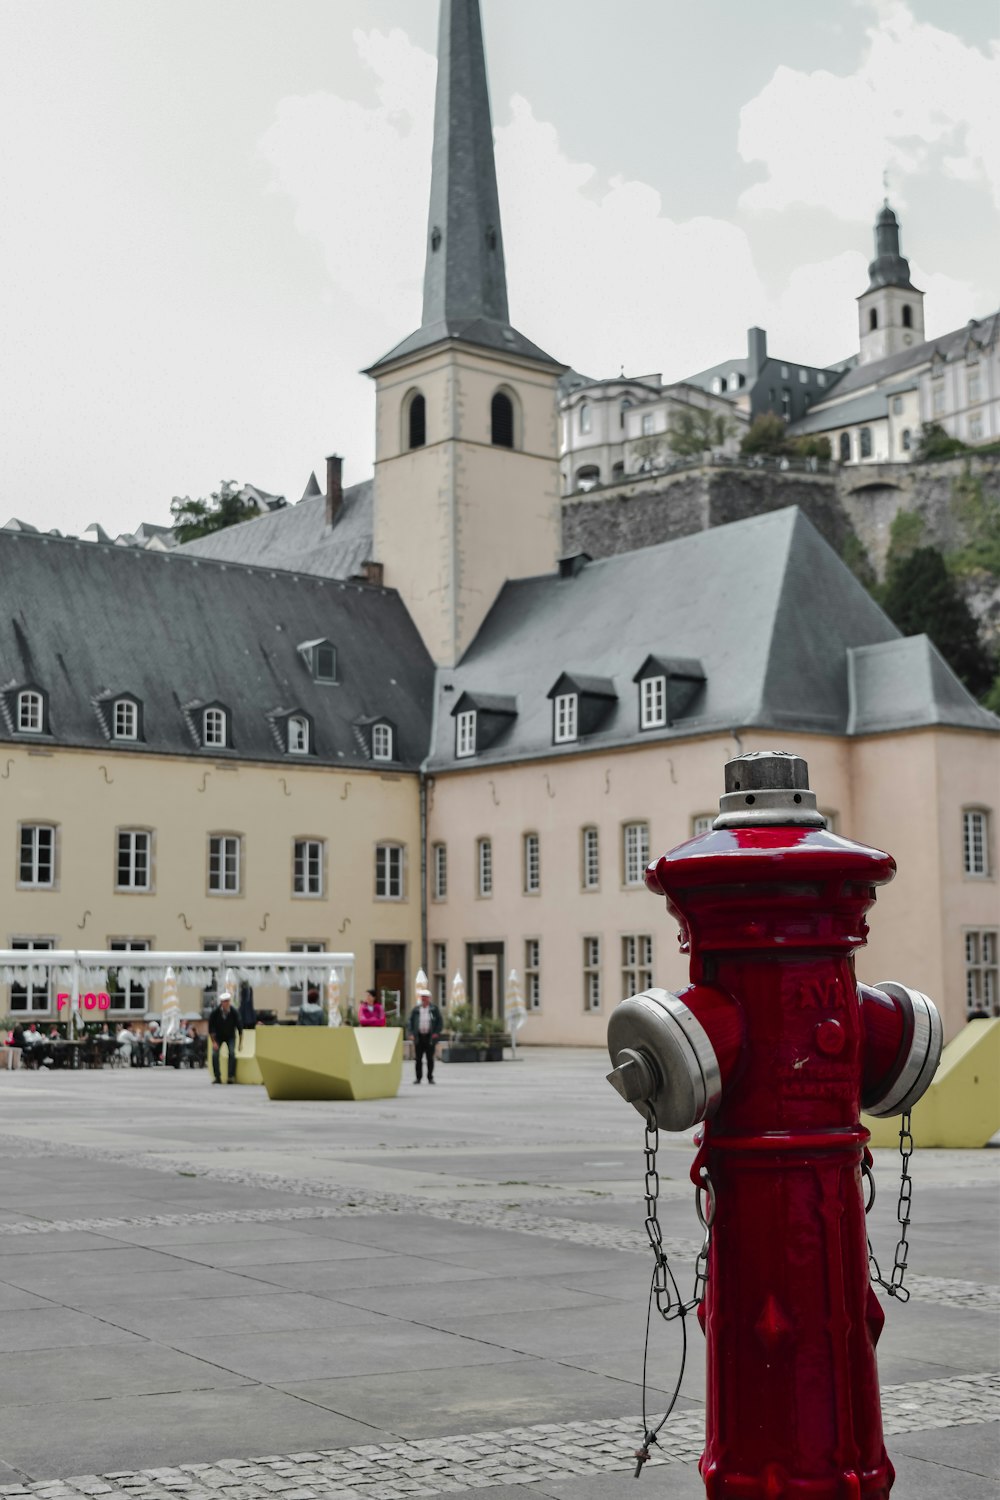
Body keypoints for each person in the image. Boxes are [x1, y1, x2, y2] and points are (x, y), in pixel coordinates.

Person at [407, 981, 442, 1085]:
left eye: (426, 997)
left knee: (430, 1058)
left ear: (429, 998)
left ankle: (430, 1077)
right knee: (418, 1059)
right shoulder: (416, 1010)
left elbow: (439, 1022)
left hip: (429, 1037)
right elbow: (410, 1021)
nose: (424, 999)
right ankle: (418, 1077)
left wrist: (436, 1032)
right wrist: (411, 1033)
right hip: (419, 1036)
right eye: (422, 997)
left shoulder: (434, 1009)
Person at [208, 989, 243, 1083]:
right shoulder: (215, 1013)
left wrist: (240, 1043)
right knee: (214, 1054)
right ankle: (217, 1077)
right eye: (224, 1002)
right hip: (218, 1036)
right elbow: (210, 1028)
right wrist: (214, 1042)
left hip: (230, 1036)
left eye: (228, 1001)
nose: (226, 1004)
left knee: (232, 1053)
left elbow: (240, 1028)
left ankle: (230, 1076)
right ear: (221, 1003)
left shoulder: (234, 1012)